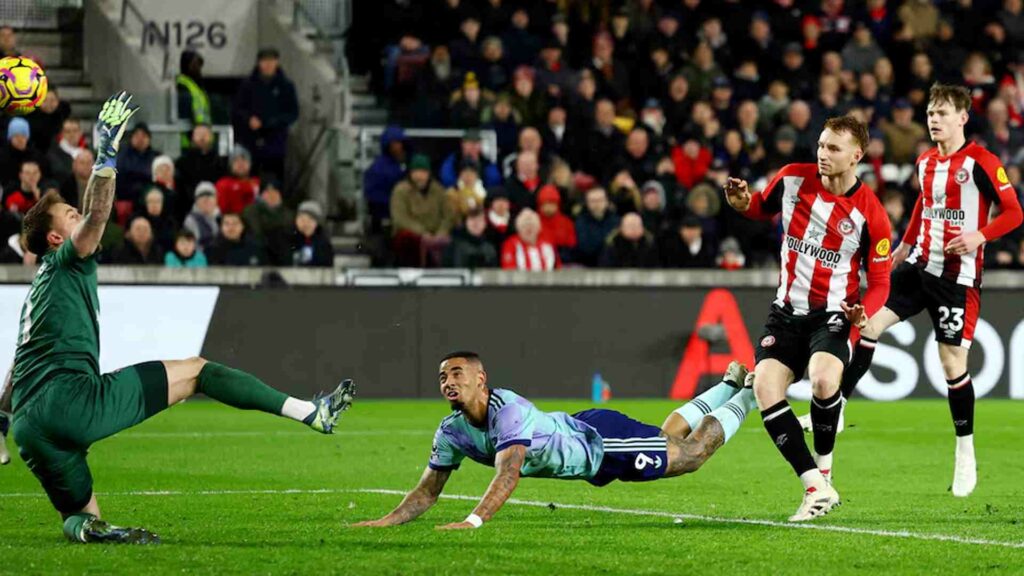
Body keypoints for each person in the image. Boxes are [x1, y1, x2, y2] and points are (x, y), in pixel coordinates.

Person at [5, 92, 355, 543]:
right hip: (72, 401)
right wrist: (108, 153)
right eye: (69, 215)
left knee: (80, 513)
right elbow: (95, 219)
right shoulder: (70, 258)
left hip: (30, 428)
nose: (80, 216)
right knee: (198, 371)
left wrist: (0, 423)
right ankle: (311, 412)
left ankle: (91, 531)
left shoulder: (40, 287)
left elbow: (18, 361)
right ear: (56, 236)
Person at [821, 84, 1024, 498]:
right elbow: (923, 206)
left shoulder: (982, 162)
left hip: (957, 279)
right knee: (867, 323)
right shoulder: (926, 161)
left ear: (963, 118)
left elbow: (1015, 212)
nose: (934, 119)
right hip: (918, 267)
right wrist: (905, 245)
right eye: (931, 111)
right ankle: (839, 404)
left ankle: (964, 452)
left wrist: (980, 236)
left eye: (943, 112)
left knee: (952, 365)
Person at [352, 353, 758, 529]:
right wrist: (384, 522)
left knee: (691, 454)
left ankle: (752, 393)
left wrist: (473, 521)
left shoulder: (505, 408)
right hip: (583, 429)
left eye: (457, 373)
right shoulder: (451, 431)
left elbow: (509, 472)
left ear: (480, 379)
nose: (448, 381)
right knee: (665, 438)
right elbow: (427, 492)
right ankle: (727, 384)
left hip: (600, 445)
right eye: (443, 376)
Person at [724, 115, 892, 521]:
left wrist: (864, 311)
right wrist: (741, 203)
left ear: (857, 156)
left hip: (833, 315)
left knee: (823, 379)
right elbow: (760, 208)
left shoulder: (871, 213)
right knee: (765, 387)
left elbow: (882, 280)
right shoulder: (792, 179)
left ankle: (826, 466)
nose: (822, 154)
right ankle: (815, 486)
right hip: (785, 312)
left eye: (833, 149)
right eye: (820, 145)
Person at [232, 48, 299, 180]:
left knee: (274, 181)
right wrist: (249, 119)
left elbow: (293, 113)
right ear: (259, 63)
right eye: (264, 61)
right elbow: (236, 109)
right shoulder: (247, 85)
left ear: (277, 62)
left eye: (271, 61)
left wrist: (272, 122)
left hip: (275, 144)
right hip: (251, 143)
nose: (268, 64)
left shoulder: (286, 86)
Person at [390, 154, 456, 267]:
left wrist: (441, 232)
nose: (419, 176)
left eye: (423, 172)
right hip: (413, 235)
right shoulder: (400, 190)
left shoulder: (438, 190)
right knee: (407, 239)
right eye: (416, 171)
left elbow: (448, 215)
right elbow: (400, 219)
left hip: (436, 234)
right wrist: (422, 233)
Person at [175, 124, 225, 221]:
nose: (202, 138)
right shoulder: (182, 162)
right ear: (193, 137)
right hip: (188, 208)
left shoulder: (220, 162)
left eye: (205, 134)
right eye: (198, 134)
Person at [363, 125, 408, 233]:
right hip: (384, 220)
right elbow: (373, 196)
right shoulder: (379, 168)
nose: (398, 147)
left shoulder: (404, 164)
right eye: (395, 143)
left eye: (400, 143)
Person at [242, 180, 294, 266]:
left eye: (275, 192)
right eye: (268, 192)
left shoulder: (288, 215)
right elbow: (255, 231)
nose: (272, 196)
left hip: (282, 256)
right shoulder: (250, 212)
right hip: (257, 252)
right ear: (261, 195)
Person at [176, 50, 211, 148]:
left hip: (202, 137)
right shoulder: (183, 85)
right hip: (190, 140)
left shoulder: (197, 85)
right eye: (194, 64)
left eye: (199, 65)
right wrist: (192, 136)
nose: (198, 68)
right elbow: (184, 113)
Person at [215, 147, 260, 215]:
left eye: (244, 160)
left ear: (250, 164)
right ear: (231, 166)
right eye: (236, 160)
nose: (240, 163)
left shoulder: (258, 182)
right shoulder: (223, 184)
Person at [290, 200, 333, 267]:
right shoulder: (288, 240)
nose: (305, 223)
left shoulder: (323, 244)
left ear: (317, 223)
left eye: (310, 220)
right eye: (302, 219)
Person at [183, 182, 220, 250]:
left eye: (210, 197)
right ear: (196, 201)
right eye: (203, 199)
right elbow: (193, 247)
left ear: (216, 199)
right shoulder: (191, 220)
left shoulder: (223, 218)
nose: (206, 200)